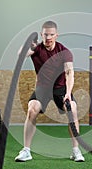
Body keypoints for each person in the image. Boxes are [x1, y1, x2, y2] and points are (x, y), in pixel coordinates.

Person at [15, 21, 85, 162]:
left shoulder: (64, 52)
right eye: (46, 34)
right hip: (43, 89)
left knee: (73, 109)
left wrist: (68, 93)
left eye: (51, 34)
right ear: (42, 35)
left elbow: (69, 73)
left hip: (61, 89)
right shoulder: (36, 49)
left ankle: (76, 151)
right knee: (32, 109)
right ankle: (26, 150)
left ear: (56, 35)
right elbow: (20, 54)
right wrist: (29, 44)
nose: (48, 37)